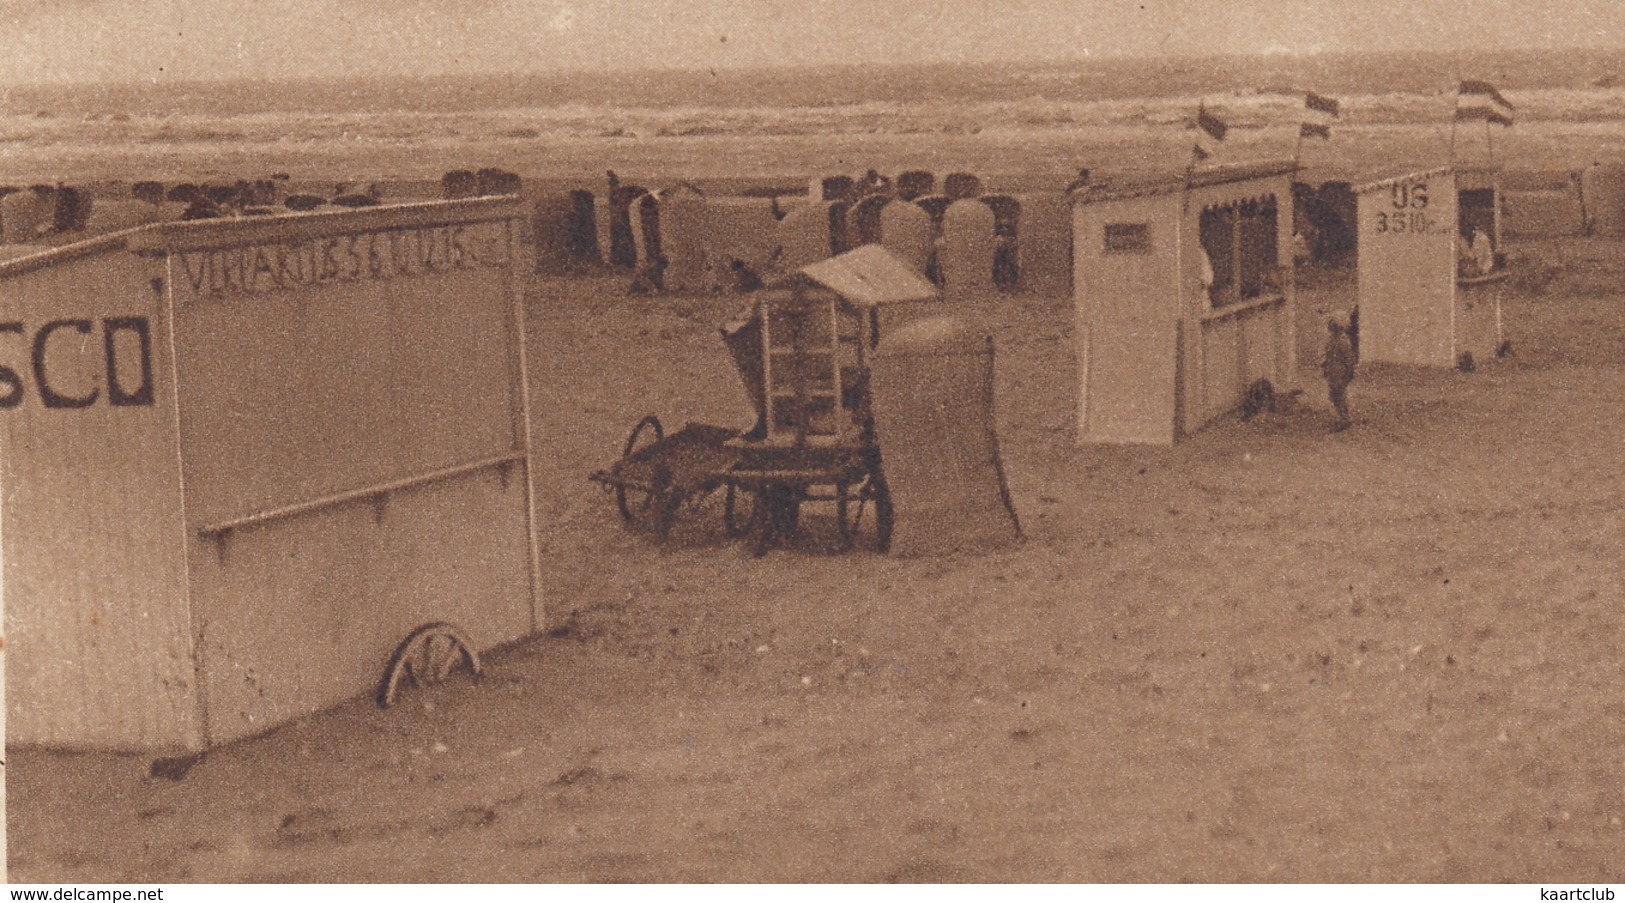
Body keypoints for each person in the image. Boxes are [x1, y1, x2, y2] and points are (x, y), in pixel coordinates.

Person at [1321, 317, 1356, 432]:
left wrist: (1349, 373)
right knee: (1334, 395)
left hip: (1340, 372)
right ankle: (1342, 417)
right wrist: (1325, 368)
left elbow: (1349, 359)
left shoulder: (1343, 341)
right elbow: (1327, 356)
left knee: (1340, 395)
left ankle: (1344, 419)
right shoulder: (1331, 341)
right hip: (1332, 371)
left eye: (1333, 327)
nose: (1331, 329)